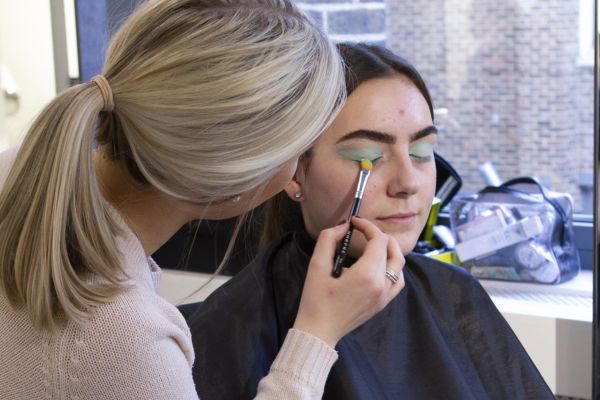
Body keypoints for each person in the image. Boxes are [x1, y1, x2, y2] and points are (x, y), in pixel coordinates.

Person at [0, 2, 405, 399]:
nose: (407, 181)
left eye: (423, 152)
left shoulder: (17, 171)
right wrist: (316, 335)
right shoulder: (122, 343)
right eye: (302, 150)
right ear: (235, 177)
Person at [186, 43, 555, 399]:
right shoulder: (230, 329)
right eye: (368, 157)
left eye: (422, 152)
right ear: (295, 173)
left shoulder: (455, 294)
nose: (408, 183)